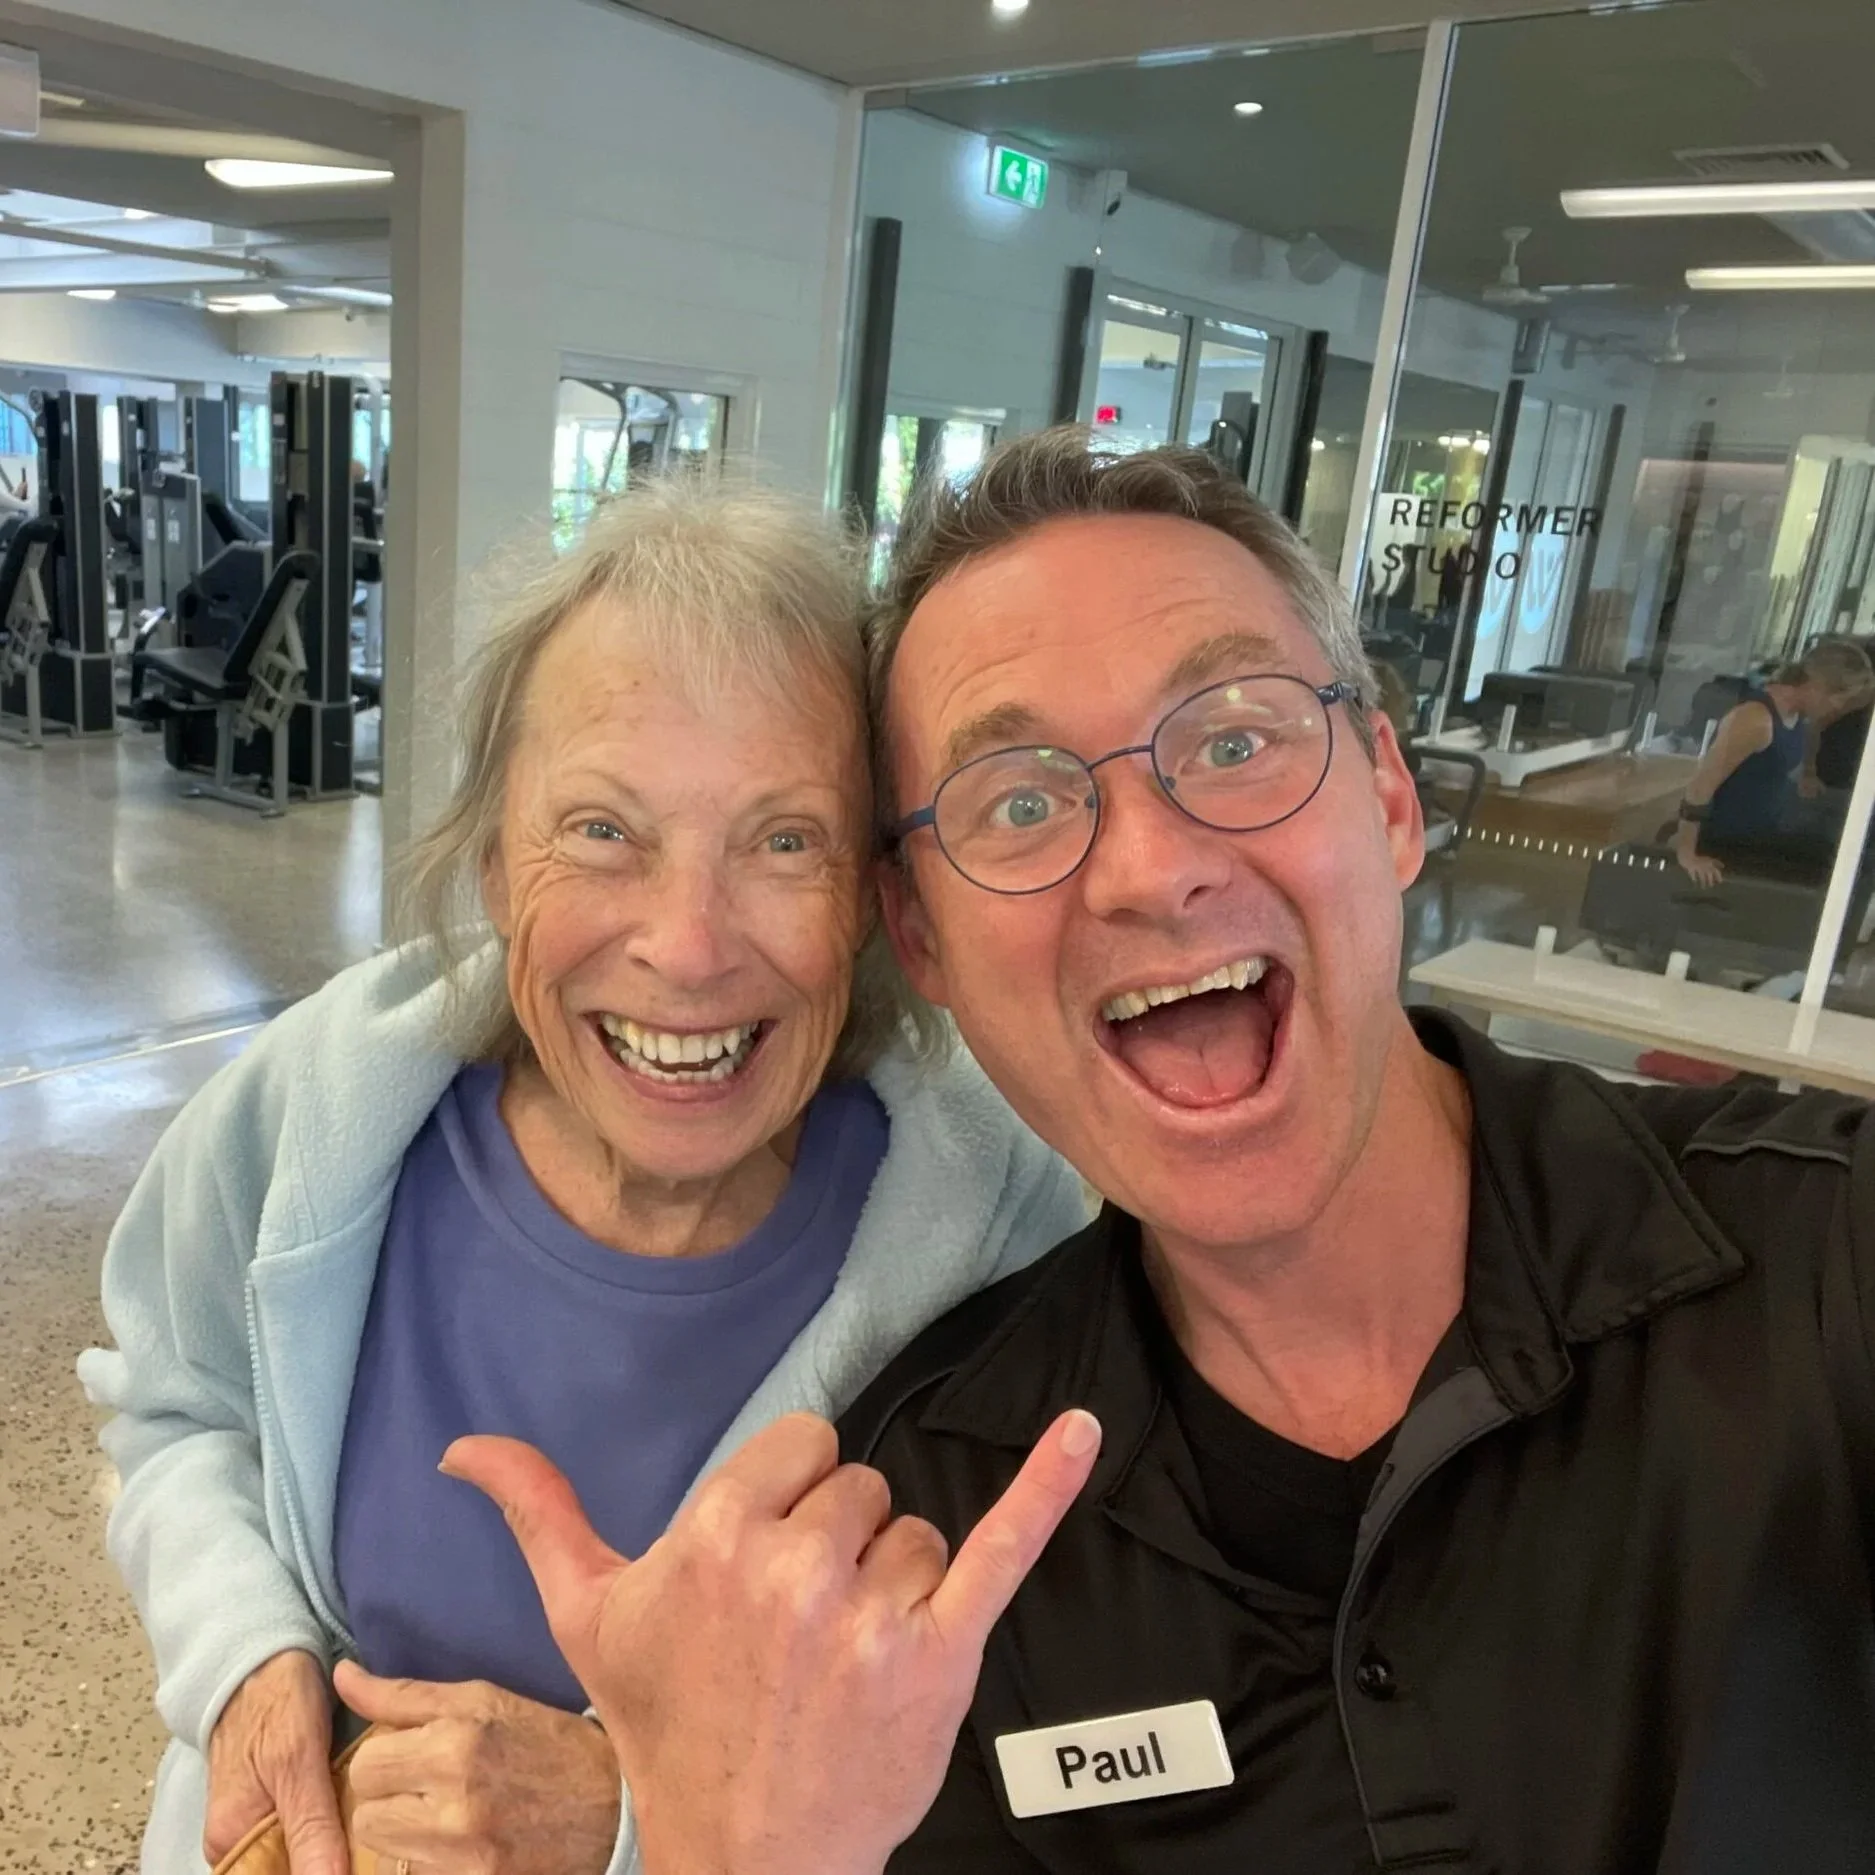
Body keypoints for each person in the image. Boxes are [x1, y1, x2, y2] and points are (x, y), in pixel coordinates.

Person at [448, 429, 1875, 1875]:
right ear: (922, 934)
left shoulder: (1824, 1268)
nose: (1146, 863)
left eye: (1234, 738)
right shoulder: (938, 1521)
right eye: (1018, 800)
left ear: (1387, 793)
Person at [78, 477, 1086, 1875]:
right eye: (603, 830)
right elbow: (177, 1407)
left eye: (782, 839)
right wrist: (243, 1655)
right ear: (497, 862)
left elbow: (1051, 1725)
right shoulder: (319, 1102)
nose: (686, 946)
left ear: (869, 892)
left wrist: (634, 1811)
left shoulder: (1004, 1229)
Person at [1673, 640, 1873, 887]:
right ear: (1817, 687)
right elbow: (1699, 788)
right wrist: (1686, 854)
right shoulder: (1756, 719)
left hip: (1774, 818)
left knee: (1863, 837)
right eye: (1839, 699)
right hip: (1737, 837)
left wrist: (1809, 773)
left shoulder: (1797, 713)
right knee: (1855, 858)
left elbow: (1812, 734)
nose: (1840, 708)